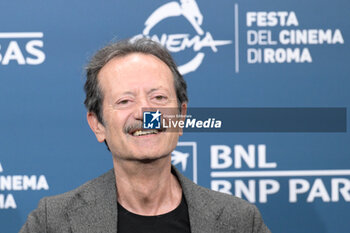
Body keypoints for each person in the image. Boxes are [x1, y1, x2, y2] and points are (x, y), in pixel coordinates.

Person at [20, 38, 271, 233]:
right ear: (97, 124)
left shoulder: (239, 221)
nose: (145, 112)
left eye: (158, 98)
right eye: (125, 100)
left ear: (181, 116)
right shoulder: (51, 222)